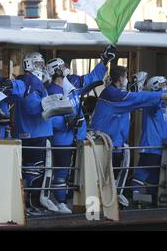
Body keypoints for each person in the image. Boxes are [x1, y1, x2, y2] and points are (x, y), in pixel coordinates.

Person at [45, 48, 111, 214]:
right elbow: (49, 118)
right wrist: (67, 122)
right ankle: (60, 202)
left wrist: (104, 62)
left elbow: (91, 78)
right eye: (63, 66)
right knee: (62, 171)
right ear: (56, 71)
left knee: (75, 172)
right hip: (62, 140)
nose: (67, 67)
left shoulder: (72, 83)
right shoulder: (51, 92)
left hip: (78, 138)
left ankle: (73, 200)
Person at [90, 66, 167, 200]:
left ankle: (121, 202)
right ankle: (115, 203)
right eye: (126, 77)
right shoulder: (111, 94)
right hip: (104, 145)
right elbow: (138, 99)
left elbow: (134, 99)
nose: (127, 79)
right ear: (121, 78)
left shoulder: (117, 94)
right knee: (106, 180)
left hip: (116, 145)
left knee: (119, 179)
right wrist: (160, 95)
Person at [0, 52, 54, 212]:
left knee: (31, 170)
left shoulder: (28, 82)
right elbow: (32, 107)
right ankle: (32, 205)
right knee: (34, 171)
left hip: (29, 133)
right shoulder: (30, 81)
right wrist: (49, 104)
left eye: (42, 64)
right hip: (34, 133)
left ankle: (30, 204)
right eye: (38, 64)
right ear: (29, 64)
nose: (41, 67)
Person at [131, 76, 167, 205]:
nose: (166, 87)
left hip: (162, 150)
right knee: (141, 175)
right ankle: (135, 199)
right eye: (163, 85)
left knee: (155, 178)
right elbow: (156, 97)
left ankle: (150, 202)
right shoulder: (152, 103)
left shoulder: (165, 108)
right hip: (150, 147)